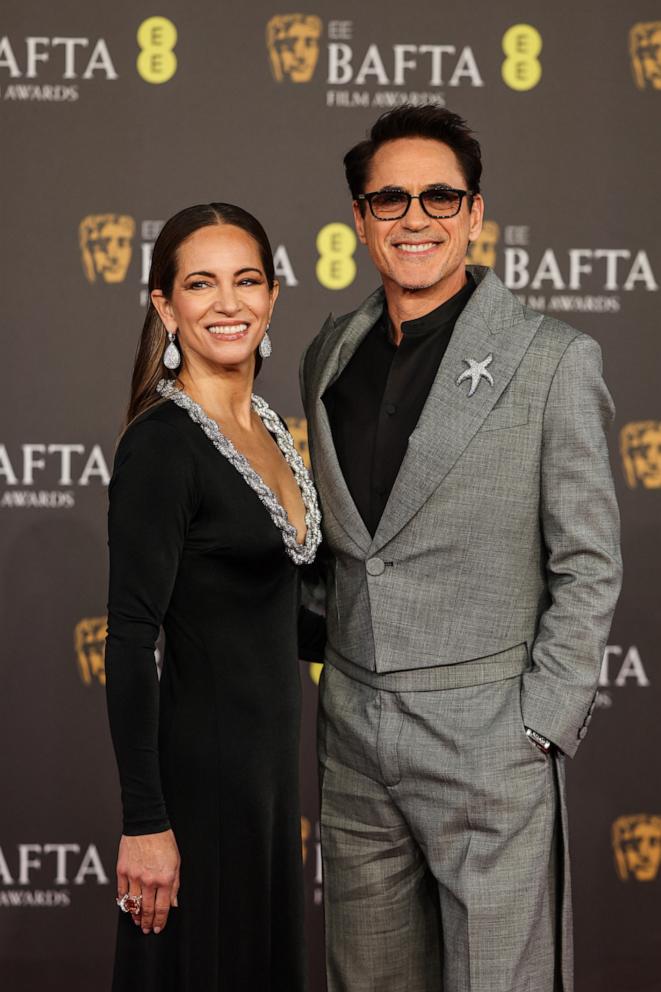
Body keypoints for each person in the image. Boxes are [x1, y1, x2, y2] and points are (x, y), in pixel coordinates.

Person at [300, 106, 622, 992]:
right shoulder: (330, 351)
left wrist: (538, 724)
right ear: (360, 218)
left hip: (489, 742)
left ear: (476, 214)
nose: (416, 217)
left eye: (440, 196)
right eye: (390, 198)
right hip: (354, 742)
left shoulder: (553, 359)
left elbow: (587, 562)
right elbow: (344, 551)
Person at [105, 202, 322, 992]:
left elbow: (278, 615)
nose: (227, 303)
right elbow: (129, 640)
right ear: (165, 305)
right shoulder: (162, 444)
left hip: (267, 787)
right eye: (200, 284)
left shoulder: (267, 425)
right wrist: (145, 823)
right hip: (199, 787)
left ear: (271, 296)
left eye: (246, 280)